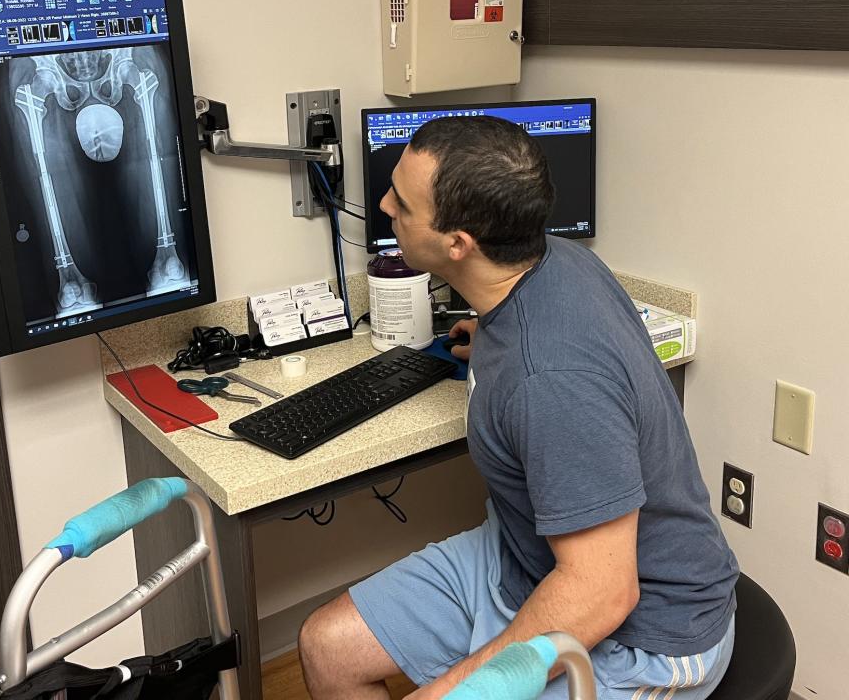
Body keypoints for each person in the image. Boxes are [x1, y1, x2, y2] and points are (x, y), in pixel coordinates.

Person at [298, 116, 738, 700]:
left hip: (643, 634)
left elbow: (603, 593)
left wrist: (450, 691)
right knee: (327, 647)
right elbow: (539, 337)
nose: (383, 205)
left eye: (401, 203)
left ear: (459, 244)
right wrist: (491, 337)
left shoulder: (552, 383)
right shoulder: (550, 259)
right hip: (523, 559)